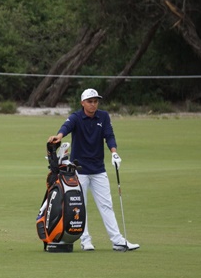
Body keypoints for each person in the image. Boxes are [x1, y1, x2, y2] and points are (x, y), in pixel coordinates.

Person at [47, 88, 140, 252]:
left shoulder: (103, 116)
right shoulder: (76, 117)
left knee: (106, 205)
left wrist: (114, 153)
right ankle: (85, 240)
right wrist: (59, 136)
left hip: (98, 169)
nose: (93, 104)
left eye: (96, 101)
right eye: (90, 101)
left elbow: (109, 135)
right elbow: (66, 126)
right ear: (82, 103)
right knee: (80, 207)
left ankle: (118, 241)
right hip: (79, 171)